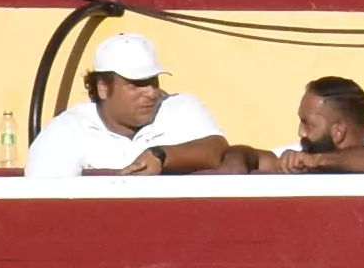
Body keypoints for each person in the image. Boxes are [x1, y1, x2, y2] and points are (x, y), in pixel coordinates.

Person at [23, 25, 252, 178]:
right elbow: (44, 206)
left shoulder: (180, 106)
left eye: (152, 81)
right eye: (137, 83)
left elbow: (217, 150)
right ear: (103, 88)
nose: (151, 92)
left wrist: (161, 156)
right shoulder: (67, 130)